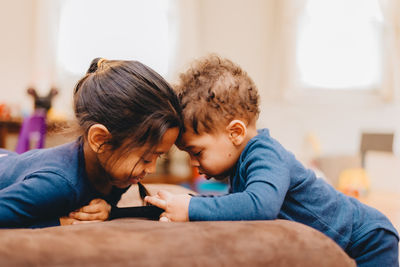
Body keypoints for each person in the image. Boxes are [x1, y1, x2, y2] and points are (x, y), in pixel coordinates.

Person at [145, 54, 399, 266]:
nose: (193, 163)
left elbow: (260, 206)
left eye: (197, 152)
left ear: (235, 133)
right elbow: (236, 205)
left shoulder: (265, 154)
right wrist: (187, 202)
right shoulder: (240, 163)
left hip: (368, 238)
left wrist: (191, 209)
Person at [0, 58, 182, 228]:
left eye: (159, 156)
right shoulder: (57, 183)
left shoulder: (119, 175)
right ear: (100, 140)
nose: (151, 169)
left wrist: (109, 209)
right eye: (146, 158)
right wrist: (61, 221)